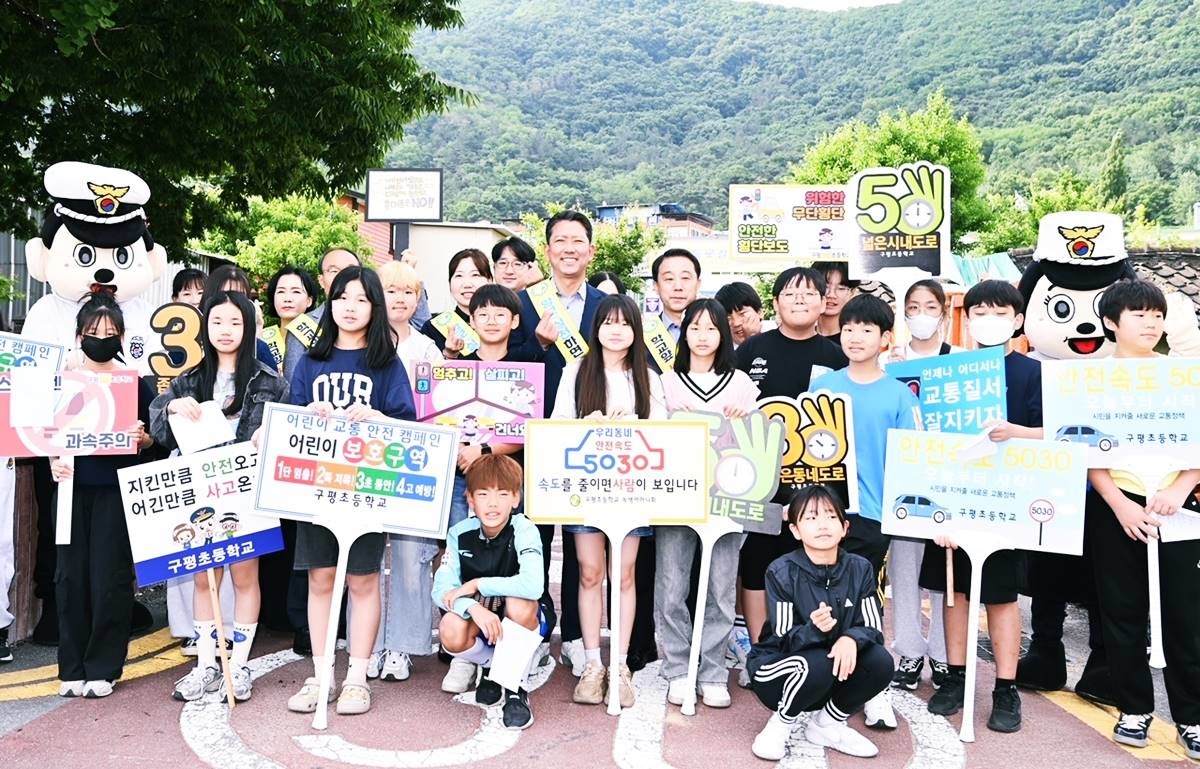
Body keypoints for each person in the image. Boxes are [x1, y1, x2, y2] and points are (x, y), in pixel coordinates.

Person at [284, 266, 416, 717]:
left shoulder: (385, 364)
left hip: (366, 492)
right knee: (320, 579)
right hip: (316, 491)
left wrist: (379, 421)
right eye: (342, 297)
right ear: (330, 303)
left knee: (362, 581)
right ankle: (321, 674)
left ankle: (357, 675)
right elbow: (289, 418)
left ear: (375, 308)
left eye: (361, 299)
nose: (350, 307)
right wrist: (309, 415)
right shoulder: (311, 360)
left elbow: (408, 426)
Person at [150, 291, 289, 702]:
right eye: (216, 322)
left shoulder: (271, 381)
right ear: (204, 327)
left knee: (246, 577)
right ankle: (206, 665)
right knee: (203, 577)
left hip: (246, 495)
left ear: (248, 328)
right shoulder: (188, 379)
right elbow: (158, 430)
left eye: (234, 323)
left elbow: (286, 434)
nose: (224, 331)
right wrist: (174, 407)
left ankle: (239, 664)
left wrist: (271, 435)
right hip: (198, 497)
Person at [918, 280, 1042, 733]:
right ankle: (955, 677)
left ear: (1018, 320)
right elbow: (921, 432)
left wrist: (1016, 432)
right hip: (952, 500)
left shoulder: (1032, 373)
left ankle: (1006, 687)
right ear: (965, 320)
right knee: (954, 591)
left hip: (1006, 502)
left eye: (999, 313)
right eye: (980, 313)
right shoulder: (946, 369)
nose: (989, 321)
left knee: (1001, 598)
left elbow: (1060, 434)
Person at [1085, 279, 1200, 757]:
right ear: (1112, 322)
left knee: (1185, 614)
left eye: (1156, 315)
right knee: (1122, 610)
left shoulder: (1183, 374)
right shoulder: (1090, 379)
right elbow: (1083, 449)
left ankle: (1192, 718)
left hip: (1177, 508)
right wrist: (1119, 503)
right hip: (1119, 504)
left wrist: (1180, 486)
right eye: (1138, 314)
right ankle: (1134, 708)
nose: (1151, 323)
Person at [812, 293, 922, 729]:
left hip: (875, 516)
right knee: (821, 599)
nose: (855, 336)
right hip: (823, 515)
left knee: (864, 602)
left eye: (866, 329)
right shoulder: (822, 387)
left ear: (885, 338)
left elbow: (913, 461)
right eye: (849, 328)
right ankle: (824, 682)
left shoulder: (899, 396)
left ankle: (871, 687)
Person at [552, 293, 665, 708]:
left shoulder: (648, 379)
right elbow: (558, 424)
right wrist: (588, 424)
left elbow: (665, 431)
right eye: (608, 322)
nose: (616, 330)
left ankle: (619, 663)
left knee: (625, 575)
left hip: (633, 491)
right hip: (585, 488)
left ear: (636, 330)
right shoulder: (576, 371)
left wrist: (635, 426)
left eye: (625, 323)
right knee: (588, 572)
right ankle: (591, 662)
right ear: (595, 328)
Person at [510, 211, 608, 677]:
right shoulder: (525, 303)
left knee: (579, 538)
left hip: (586, 443)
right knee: (532, 537)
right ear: (547, 250)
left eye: (578, 241)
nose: (569, 248)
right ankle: (534, 626)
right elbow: (506, 366)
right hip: (529, 439)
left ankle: (572, 635)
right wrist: (538, 345)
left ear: (590, 251)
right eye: (560, 241)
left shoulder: (608, 306)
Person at [735, 267, 847, 658]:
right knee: (755, 563)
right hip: (759, 482)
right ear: (776, 302)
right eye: (789, 294)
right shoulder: (751, 351)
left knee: (817, 564)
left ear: (823, 301)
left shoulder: (837, 356)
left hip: (820, 483)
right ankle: (758, 646)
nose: (799, 300)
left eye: (808, 294)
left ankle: (814, 644)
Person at [50, 293, 158, 698]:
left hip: (115, 492)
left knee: (109, 579)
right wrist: (52, 462)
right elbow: (40, 431)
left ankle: (104, 667)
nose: (101, 339)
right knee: (70, 577)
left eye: (110, 333)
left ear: (123, 337)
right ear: (79, 335)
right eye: (94, 333)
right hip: (70, 488)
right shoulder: (62, 380)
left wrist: (142, 437)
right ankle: (71, 667)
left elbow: (155, 440)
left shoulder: (134, 383)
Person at [657, 298, 760, 709]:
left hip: (727, 500)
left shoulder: (741, 384)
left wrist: (746, 417)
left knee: (720, 586)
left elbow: (761, 446)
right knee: (671, 584)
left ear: (723, 334)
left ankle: (714, 669)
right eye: (694, 328)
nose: (702, 336)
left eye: (711, 328)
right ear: (684, 333)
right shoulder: (665, 382)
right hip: (675, 495)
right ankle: (678, 668)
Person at [748, 485, 894, 760]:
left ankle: (827, 724)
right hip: (777, 670)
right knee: (818, 663)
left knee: (881, 662)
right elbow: (781, 638)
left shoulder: (860, 567)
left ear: (844, 527)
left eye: (830, 516)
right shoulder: (781, 570)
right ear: (795, 530)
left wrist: (850, 637)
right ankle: (779, 725)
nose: (823, 525)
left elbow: (873, 627)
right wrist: (814, 629)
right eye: (811, 518)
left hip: (828, 673)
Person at [439, 283, 536, 694]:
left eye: (501, 313)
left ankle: (517, 651)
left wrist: (482, 449)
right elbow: (436, 419)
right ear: (471, 319)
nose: (491, 320)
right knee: (459, 554)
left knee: (512, 559)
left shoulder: (527, 364)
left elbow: (527, 427)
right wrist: (460, 450)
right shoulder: (455, 366)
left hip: (504, 477)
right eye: (482, 313)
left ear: (515, 321)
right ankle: (466, 655)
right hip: (459, 478)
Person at [278, 248, 361, 656]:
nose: (349, 303)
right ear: (325, 285)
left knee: (359, 571)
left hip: (364, 479)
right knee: (313, 565)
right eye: (332, 273)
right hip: (315, 473)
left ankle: (354, 654)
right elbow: (293, 403)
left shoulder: (381, 350)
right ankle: (310, 638)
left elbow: (403, 416)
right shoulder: (306, 338)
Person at [881, 280, 958, 692]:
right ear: (904, 314)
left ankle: (946, 656)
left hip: (951, 481)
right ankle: (909, 651)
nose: (922, 313)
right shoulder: (889, 365)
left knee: (946, 574)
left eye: (930, 306)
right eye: (914, 306)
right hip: (905, 479)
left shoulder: (962, 362)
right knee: (904, 570)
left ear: (943, 313)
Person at [433, 454, 546, 730]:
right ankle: (494, 667)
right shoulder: (459, 532)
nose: (493, 503)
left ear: (516, 499)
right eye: (483, 494)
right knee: (450, 627)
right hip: (483, 618)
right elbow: (441, 589)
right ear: (470, 499)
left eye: (502, 494)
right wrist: (472, 606)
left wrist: (479, 584)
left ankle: (515, 687)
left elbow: (533, 585)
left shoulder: (525, 529)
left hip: (524, 619)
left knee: (521, 602)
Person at [203, 264, 279, 370]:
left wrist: (256, 331)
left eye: (240, 296)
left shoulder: (260, 348)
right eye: (225, 294)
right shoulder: (187, 344)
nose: (231, 301)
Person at [420, 248, 492, 354]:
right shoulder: (433, 328)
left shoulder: (502, 325)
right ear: (450, 283)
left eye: (475, 275)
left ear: (489, 281)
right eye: (459, 275)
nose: (467, 284)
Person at [811, 261, 859, 339]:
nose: (831, 295)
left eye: (841, 288)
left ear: (852, 293)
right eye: (825, 287)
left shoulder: (855, 340)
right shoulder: (801, 335)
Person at [714, 281, 768, 348]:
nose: (736, 323)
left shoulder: (777, 337)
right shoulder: (718, 349)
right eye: (728, 318)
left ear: (760, 313)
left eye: (742, 314)